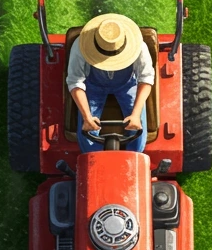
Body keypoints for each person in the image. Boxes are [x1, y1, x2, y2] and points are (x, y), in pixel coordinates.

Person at [66, 12, 154, 153]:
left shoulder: (139, 47)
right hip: (93, 85)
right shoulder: (80, 47)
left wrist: (135, 115)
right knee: (86, 128)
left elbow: (146, 78)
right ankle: (92, 159)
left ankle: (133, 157)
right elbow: (75, 81)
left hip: (127, 84)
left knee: (139, 126)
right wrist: (87, 117)